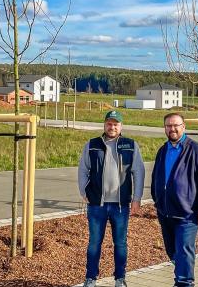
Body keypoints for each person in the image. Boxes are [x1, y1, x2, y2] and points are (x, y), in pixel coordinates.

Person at [78, 110, 144, 287]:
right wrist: (83, 191)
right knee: (94, 243)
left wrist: (137, 198)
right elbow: (83, 169)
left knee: (120, 243)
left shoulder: (130, 145)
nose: (112, 127)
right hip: (96, 205)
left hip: (120, 205)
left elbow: (138, 172)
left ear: (121, 126)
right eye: (109, 123)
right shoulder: (92, 145)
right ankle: (90, 278)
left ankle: (120, 278)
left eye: (116, 124)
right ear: (104, 125)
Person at [151, 112, 198, 287]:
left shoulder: (195, 150)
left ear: (183, 127)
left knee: (184, 251)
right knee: (172, 252)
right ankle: (182, 275)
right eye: (168, 126)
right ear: (165, 128)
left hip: (187, 214)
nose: (172, 129)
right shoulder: (163, 150)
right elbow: (156, 176)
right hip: (165, 213)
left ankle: (184, 282)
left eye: (176, 125)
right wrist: (157, 199)